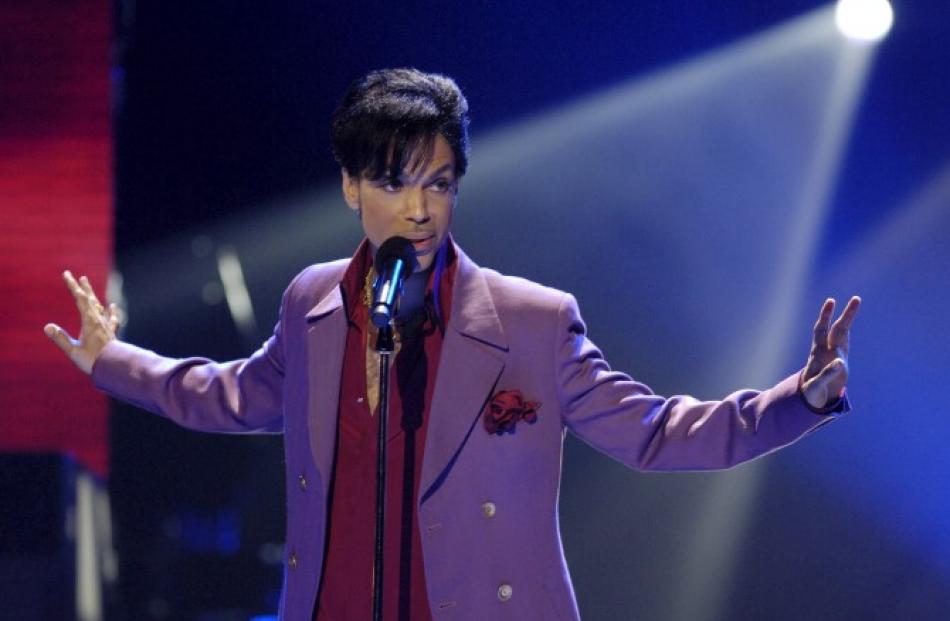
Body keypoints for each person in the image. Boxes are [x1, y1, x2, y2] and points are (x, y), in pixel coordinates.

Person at [45, 68, 861, 621]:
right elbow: (231, 395)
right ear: (351, 186)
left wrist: (801, 398)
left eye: (438, 182)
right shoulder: (312, 302)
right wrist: (115, 359)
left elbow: (654, 431)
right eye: (396, 182)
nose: (421, 210)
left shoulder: (531, 321)